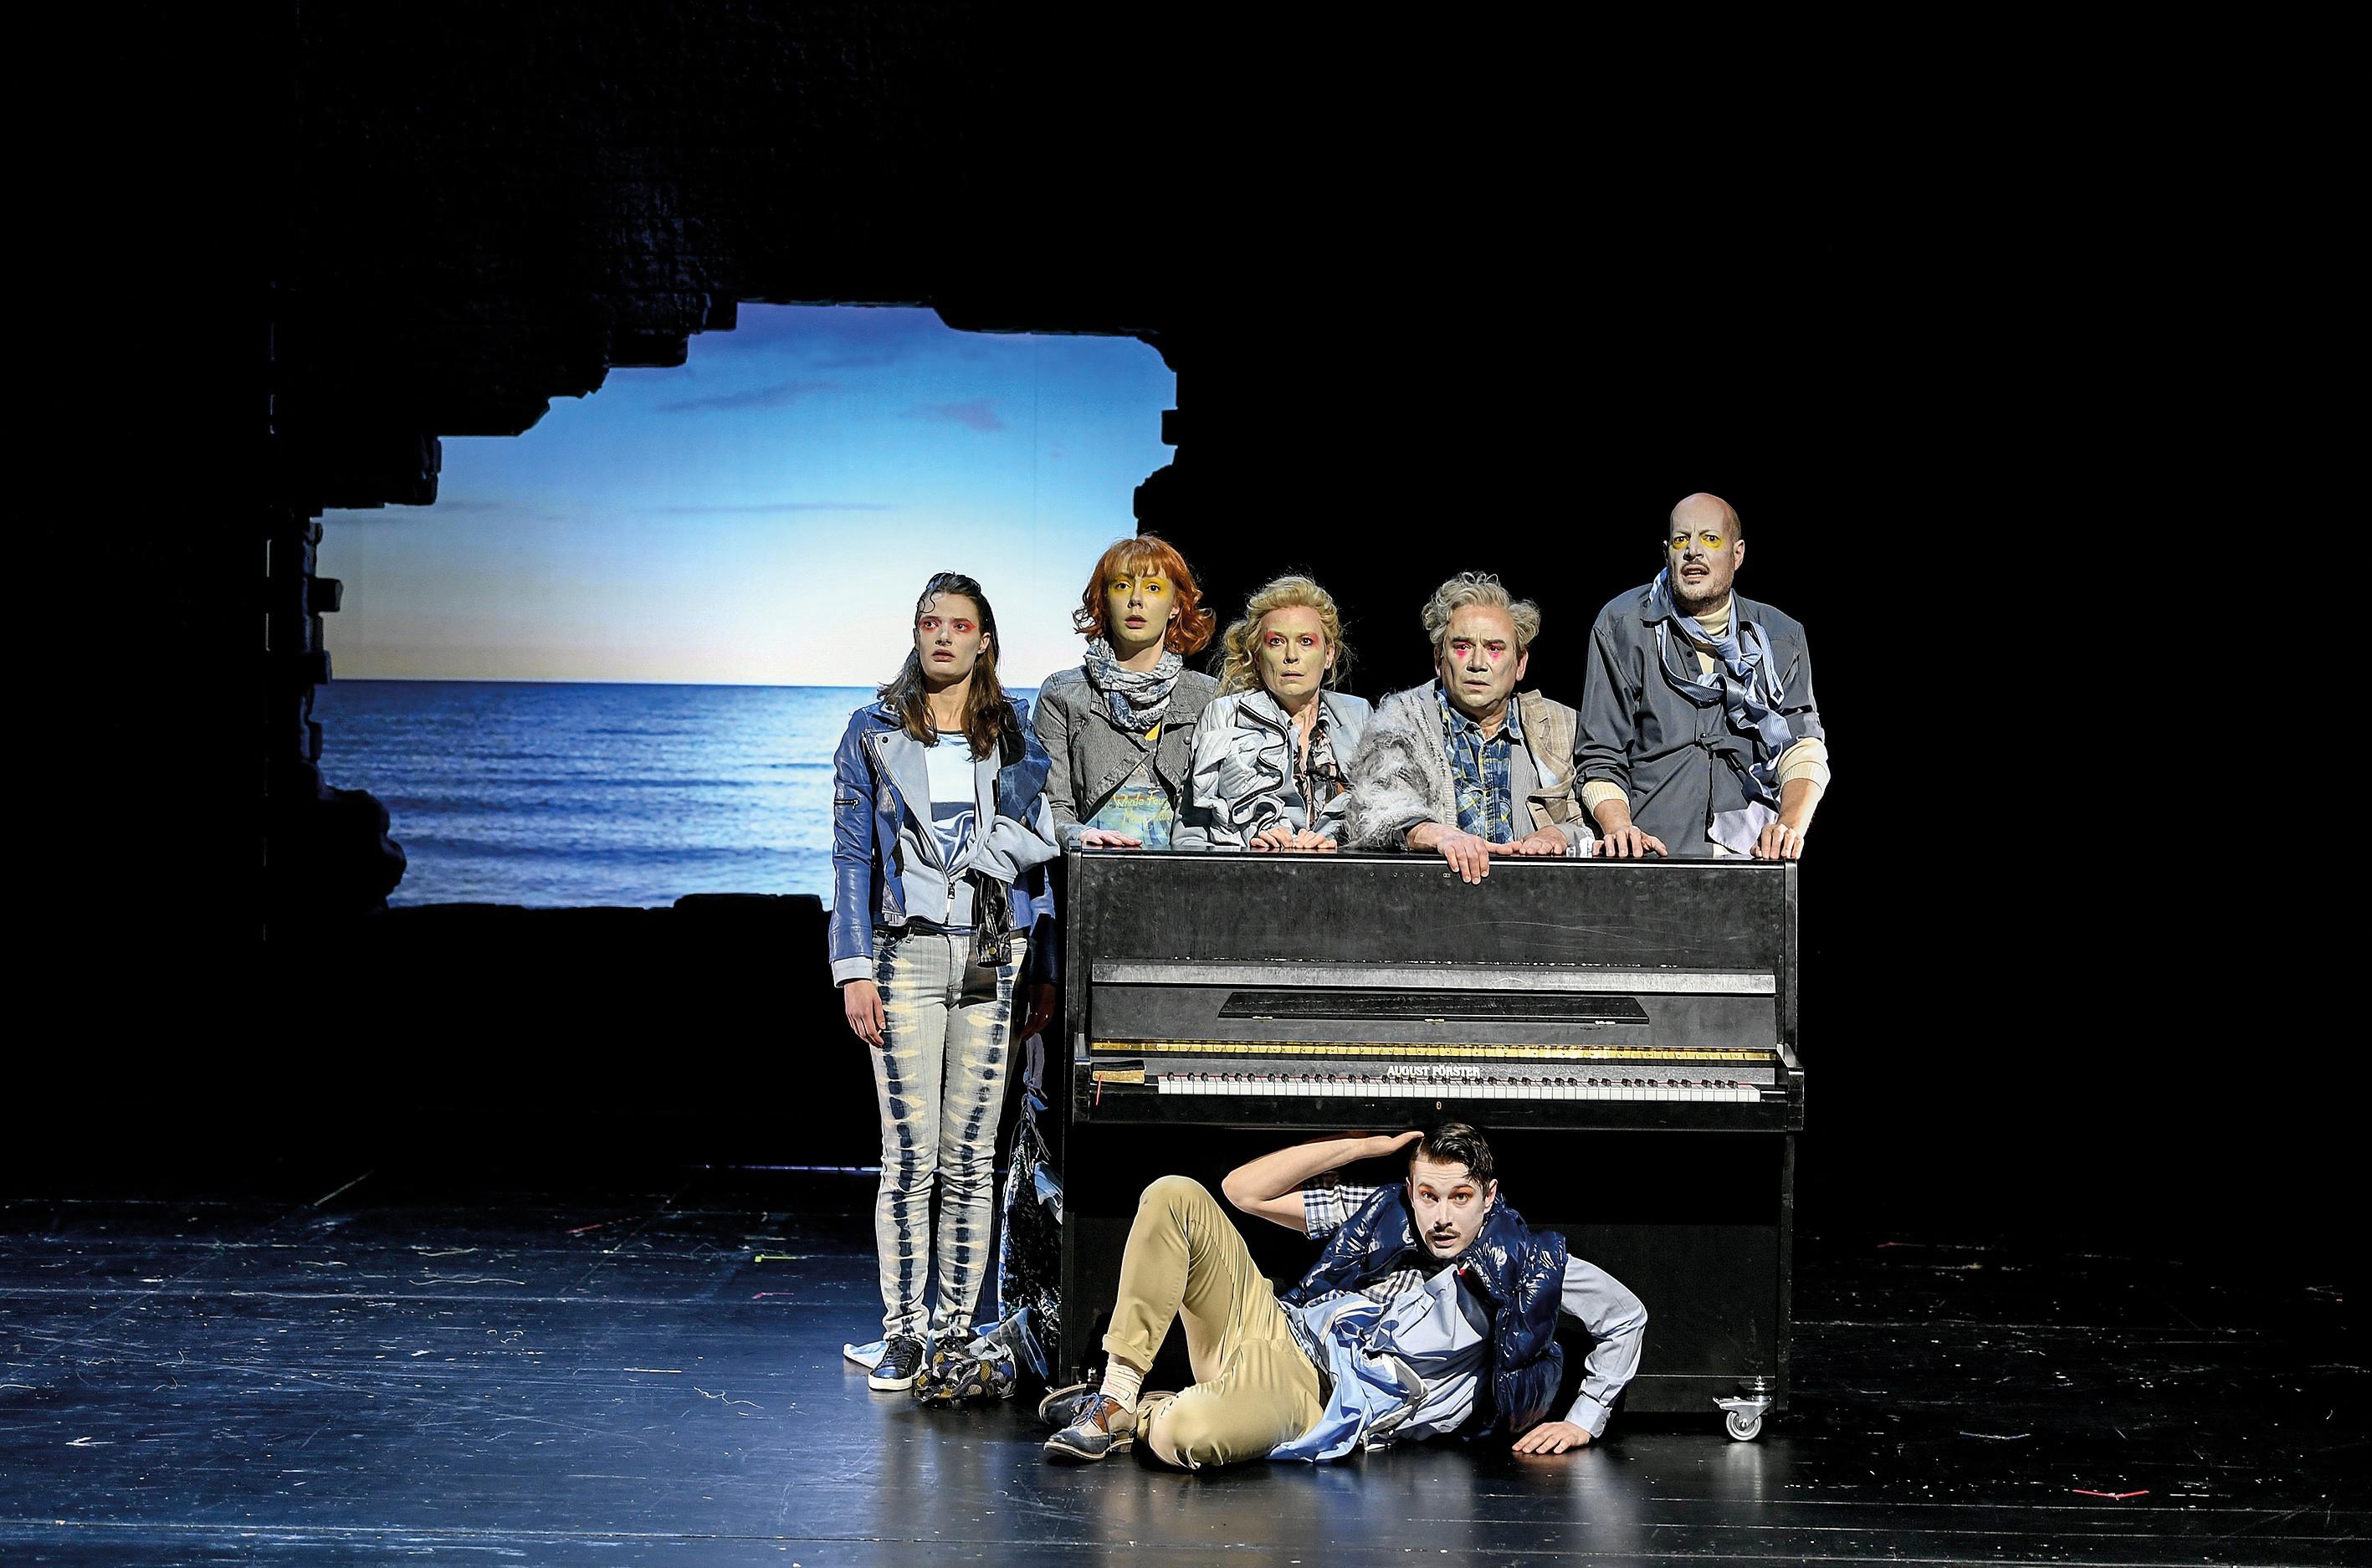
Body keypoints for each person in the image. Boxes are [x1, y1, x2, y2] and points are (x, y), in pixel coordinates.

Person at [1038, 1124, 1647, 1468]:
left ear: (1488, 1197)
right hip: (1275, 1327)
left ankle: (1148, 1412)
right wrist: (1356, 1148)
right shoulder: (1382, 1211)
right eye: (1428, 1195)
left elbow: (1625, 1317)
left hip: (1316, 1395)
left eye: (1459, 1198)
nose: (1441, 1217)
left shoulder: (1526, 1261)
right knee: (1175, 1195)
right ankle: (1116, 1398)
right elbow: (1243, 1191)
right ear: (1410, 1189)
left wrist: (1583, 1420)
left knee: (1184, 1435)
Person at [829, 571, 1061, 1395]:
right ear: (916, 632)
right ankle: (903, 1332)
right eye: (930, 621)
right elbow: (850, 857)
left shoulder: (1016, 729)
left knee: (969, 1157)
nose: (942, 635)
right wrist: (853, 967)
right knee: (909, 1156)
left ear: (984, 639)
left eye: (959, 624)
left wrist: (1044, 963)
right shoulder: (872, 729)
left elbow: (1038, 853)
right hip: (905, 953)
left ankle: (957, 1333)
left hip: (995, 952)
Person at [1576, 494, 1831, 859]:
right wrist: (1619, 827)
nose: (1693, 551)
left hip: (1750, 857)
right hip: (1651, 855)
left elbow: (1801, 745)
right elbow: (1600, 753)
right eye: (1681, 540)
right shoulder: (1623, 626)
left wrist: (1788, 827)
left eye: (1710, 539)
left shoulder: (1780, 636)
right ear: (1667, 553)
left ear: (1737, 554)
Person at [1341, 572, 1592, 882]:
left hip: (1541, 898)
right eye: (1462, 646)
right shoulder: (1401, 720)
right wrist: (1430, 832)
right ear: (1438, 658)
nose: (1477, 663)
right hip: (1432, 897)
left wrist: (1561, 834)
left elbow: (1597, 820)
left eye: (1494, 648)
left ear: (1520, 663)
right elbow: (1375, 807)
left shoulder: (1562, 726)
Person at [1032, 535, 1219, 851]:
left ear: (1175, 606)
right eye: (1121, 586)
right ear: (1104, 601)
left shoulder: (1207, 697)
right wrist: (1078, 835)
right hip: (1092, 872)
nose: (1136, 599)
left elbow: (1220, 809)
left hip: (1185, 875)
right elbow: (1052, 806)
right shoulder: (1063, 695)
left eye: (1153, 588)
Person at [1176, 575, 1372, 852]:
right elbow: (1189, 836)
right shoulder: (1224, 715)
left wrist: (1337, 847)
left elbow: (1384, 824)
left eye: (1306, 641)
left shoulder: (1359, 716)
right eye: (1276, 641)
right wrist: (1249, 851)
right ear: (1257, 656)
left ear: (1328, 654)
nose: (1291, 655)